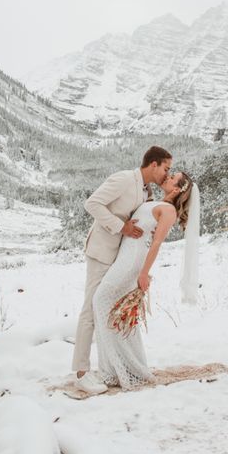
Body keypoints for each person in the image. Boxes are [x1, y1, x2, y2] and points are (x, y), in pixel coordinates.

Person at [67, 146, 173, 394]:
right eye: (166, 169)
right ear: (153, 164)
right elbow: (92, 203)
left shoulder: (146, 191)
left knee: (108, 309)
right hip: (102, 250)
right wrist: (120, 227)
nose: (166, 174)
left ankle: (114, 366)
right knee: (90, 309)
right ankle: (82, 372)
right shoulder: (125, 179)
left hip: (119, 257)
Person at [92, 171, 197, 390]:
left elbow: (156, 243)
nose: (167, 177)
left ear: (177, 190)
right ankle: (118, 368)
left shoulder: (168, 211)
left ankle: (121, 368)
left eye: (172, 178)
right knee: (115, 311)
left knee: (100, 300)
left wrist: (143, 273)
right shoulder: (155, 202)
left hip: (133, 261)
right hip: (124, 254)